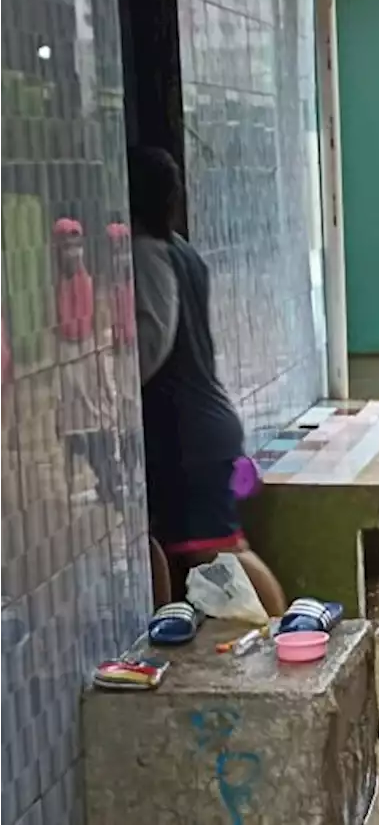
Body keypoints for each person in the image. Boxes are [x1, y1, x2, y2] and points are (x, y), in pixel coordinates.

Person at [129, 146, 287, 616]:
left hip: (188, 432)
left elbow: (152, 340)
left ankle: (284, 629)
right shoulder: (184, 252)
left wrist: (115, 386)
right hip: (201, 426)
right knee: (185, 545)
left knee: (219, 551)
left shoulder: (147, 253)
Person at [52, 217, 124, 510]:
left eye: (76, 245)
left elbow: (103, 330)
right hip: (69, 369)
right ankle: (95, 485)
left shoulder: (94, 286)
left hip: (92, 366)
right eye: (66, 246)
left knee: (102, 430)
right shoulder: (53, 288)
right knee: (74, 435)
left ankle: (110, 481)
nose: (73, 251)